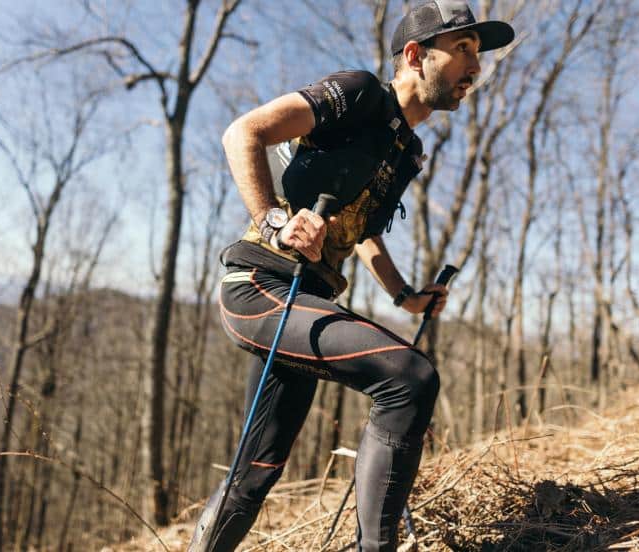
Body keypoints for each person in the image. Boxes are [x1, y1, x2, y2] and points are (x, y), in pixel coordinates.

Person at [190, 1, 514, 550]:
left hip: (308, 300)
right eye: (461, 49)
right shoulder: (360, 93)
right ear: (415, 55)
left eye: (477, 55)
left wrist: (405, 295)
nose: (475, 68)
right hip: (260, 287)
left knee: (255, 472)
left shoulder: (408, 149)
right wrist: (274, 221)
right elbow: (243, 133)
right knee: (409, 378)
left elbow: (362, 231)